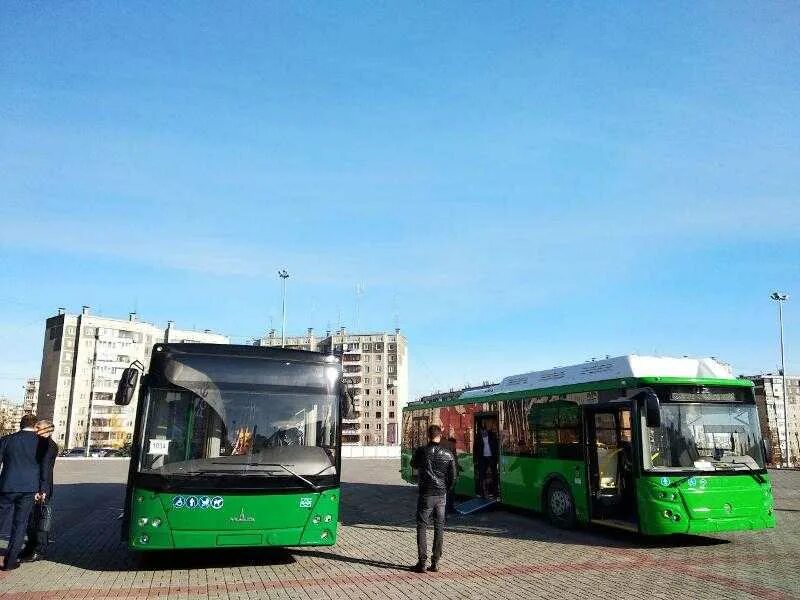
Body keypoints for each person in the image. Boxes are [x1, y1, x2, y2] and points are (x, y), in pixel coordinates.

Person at [0, 414, 48, 571]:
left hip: (7, 487)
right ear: (35, 426)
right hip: (29, 489)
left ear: (20, 424)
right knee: (19, 525)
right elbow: (44, 468)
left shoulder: (7, 440)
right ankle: (9, 562)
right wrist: (42, 489)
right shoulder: (41, 443)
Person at [410, 424, 457, 573]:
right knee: (439, 527)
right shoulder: (448, 454)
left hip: (426, 494)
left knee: (422, 527)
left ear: (428, 435)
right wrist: (445, 489)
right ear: (440, 435)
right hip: (441, 496)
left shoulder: (421, 451)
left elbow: (413, 464)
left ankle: (422, 563)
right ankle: (435, 562)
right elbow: (453, 477)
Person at [21, 420, 58, 562]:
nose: (35, 430)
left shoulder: (49, 446)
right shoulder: (41, 444)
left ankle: (37, 550)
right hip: (36, 487)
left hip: (41, 489)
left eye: (38, 428)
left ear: (47, 430)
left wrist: (42, 489)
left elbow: (45, 468)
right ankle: (30, 548)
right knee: (32, 519)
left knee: (41, 519)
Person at [477, 421, 499, 498]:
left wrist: (496, 457)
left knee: (494, 474)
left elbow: (496, 446)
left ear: (486, 431)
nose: (483, 433)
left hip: (491, 457)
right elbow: (476, 448)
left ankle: (494, 492)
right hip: (483, 458)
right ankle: (483, 492)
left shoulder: (492, 436)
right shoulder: (479, 438)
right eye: (482, 432)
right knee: (482, 475)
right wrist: (476, 459)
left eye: (484, 431)